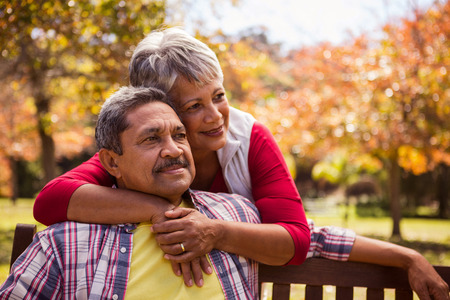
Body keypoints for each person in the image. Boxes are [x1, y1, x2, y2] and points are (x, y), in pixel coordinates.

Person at [33, 28, 449, 299]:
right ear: (158, 107)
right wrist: (173, 213)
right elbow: (51, 201)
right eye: (193, 107)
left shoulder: (248, 139)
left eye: (219, 95)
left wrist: (210, 230)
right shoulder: (140, 149)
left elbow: (300, 237)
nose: (216, 116)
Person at [1, 86, 261, 300]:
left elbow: (300, 239)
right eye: (151, 139)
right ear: (113, 163)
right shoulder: (64, 245)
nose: (173, 150)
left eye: (179, 135)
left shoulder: (237, 213)